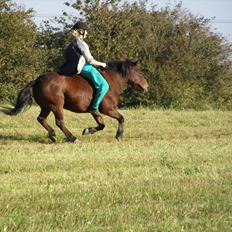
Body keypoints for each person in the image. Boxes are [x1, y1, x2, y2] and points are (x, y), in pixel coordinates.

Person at [59, 21, 109, 116]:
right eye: (86, 31)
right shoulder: (82, 44)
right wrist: (102, 64)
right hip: (84, 68)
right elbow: (90, 60)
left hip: (73, 67)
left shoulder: (72, 44)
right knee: (104, 85)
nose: (87, 33)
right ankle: (94, 107)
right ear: (81, 31)